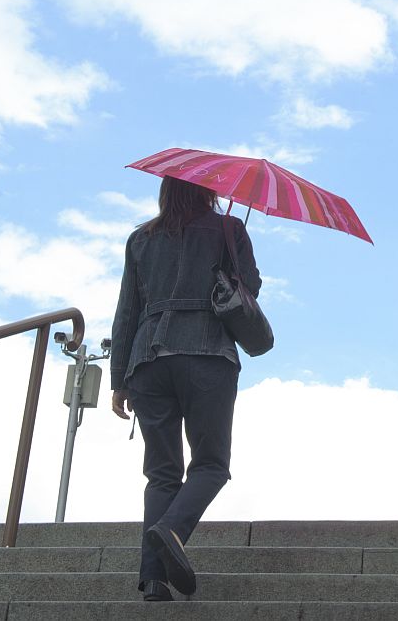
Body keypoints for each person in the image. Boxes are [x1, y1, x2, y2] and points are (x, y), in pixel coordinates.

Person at [110, 177, 261, 602]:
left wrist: (118, 380)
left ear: (166, 192)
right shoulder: (228, 228)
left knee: (161, 473)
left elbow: (126, 311)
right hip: (207, 354)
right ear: (206, 191)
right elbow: (249, 288)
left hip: (147, 359)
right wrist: (231, 250)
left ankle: (154, 580)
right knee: (211, 464)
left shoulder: (140, 238)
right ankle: (172, 529)